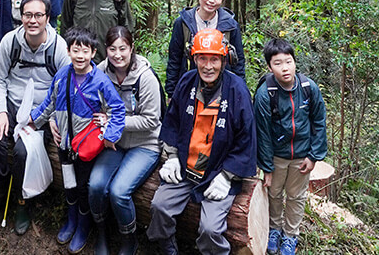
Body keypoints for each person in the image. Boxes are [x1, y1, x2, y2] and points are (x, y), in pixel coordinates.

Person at [147, 29, 256, 255]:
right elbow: (172, 122)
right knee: (159, 206)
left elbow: (246, 140)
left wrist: (228, 176)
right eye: (202, 58)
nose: (208, 66)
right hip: (187, 166)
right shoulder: (187, 82)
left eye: (214, 59)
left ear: (224, 60)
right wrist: (173, 156)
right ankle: (167, 246)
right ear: (194, 58)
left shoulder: (237, 91)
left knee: (210, 229)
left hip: (218, 171)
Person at [0, 0, 70, 235]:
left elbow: (60, 92)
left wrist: (37, 119)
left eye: (39, 15)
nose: (33, 20)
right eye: (28, 15)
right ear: (21, 16)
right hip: (11, 104)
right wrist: (0, 112)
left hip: (41, 110)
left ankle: (22, 202)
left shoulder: (59, 49)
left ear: (48, 18)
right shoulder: (11, 41)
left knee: (23, 152)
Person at [31, 27, 126, 254]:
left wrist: (110, 136)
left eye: (85, 51)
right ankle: (71, 220)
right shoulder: (62, 75)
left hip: (86, 149)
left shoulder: (101, 81)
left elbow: (118, 109)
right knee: (70, 185)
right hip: (64, 145)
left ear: (93, 53)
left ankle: (84, 227)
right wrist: (33, 121)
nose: (80, 56)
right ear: (68, 51)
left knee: (83, 188)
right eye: (76, 51)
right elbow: (49, 103)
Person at [88, 26, 163, 255]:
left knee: (119, 192)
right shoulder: (99, 72)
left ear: (131, 48)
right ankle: (101, 232)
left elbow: (151, 121)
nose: (117, 54)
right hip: (114, 143)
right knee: (96, 186)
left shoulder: (145, 78)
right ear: (105, 49)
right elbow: (95, 107)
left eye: (123, 48)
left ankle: (128, 239)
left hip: (145, 144)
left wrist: (113, 122)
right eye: (112, 49)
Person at [255, 38, 327, 255]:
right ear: (269, 66)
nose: (285, 68)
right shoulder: (266, 93)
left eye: (288, 62)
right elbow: (263, 133)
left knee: (296, 197)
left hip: (302, 155)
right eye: (278, 63)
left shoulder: (308, 88)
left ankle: (290, 235)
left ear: (295, 62)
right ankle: (274, 229)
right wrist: (266, 166)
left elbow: (319, 121)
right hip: (277, 156)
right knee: (274, 194)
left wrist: (314, 155)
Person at [165, 0, 246, 98]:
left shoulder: (230, 25)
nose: (212, 0)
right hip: (189, 87)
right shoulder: (183, 23)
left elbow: (238, 62)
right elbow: (174, 60)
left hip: (222, 88)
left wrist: (240, 92)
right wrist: (171, 93)